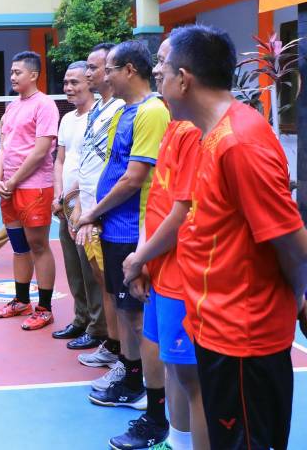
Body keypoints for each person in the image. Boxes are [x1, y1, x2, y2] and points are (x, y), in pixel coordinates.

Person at [161, 24, 307, 450]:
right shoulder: (212, 135)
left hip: (243, 340)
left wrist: (300, 295)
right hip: (217, 329)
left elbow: (292, 242)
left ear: (183, 79)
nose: (159, 83)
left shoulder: (239, 144)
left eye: (162, 73)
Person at [111, 38, 207, 450]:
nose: (157, 70)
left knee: (192, 377)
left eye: (163, 62)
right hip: (160, 267)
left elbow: (183, 211)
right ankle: (175, 439)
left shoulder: (197, 133)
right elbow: (158, 201)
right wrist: (144, 258)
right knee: (175, 368)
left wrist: (139, 258)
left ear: (185, 76)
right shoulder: (172, 126)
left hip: (184, 274)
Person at [77, 40, 169, 410]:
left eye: (110, 69)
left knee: (139, 317)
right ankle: (132, 381)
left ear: (129, 70)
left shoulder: (152, 112)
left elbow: (134, 178)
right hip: (116, 229)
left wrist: (92, 212)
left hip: (134, 231)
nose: (103, 76)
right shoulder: (124, 112)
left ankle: (151, 390)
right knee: (127, 313)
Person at [0, 51, 59, 330]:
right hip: (9, 188)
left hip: (34, 187)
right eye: (11, 72)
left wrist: (14, 181)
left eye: (18, 72)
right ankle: (21, 301)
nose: (13, 76)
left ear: (33, 75)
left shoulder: (45, 105)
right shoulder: (11, 107)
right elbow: (3, 147)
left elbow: (41, 151)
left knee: (38, 246)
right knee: (19, 248)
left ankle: (45, 308)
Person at [70, 43, 125, 377]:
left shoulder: (121, 109)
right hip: (89, 208)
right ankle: (113, 344)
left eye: (94, 67)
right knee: (103, 282)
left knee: (116, 287)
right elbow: (90, 161)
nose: (88, 72)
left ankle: (126, 355)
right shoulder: (98, 109)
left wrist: (94, 211)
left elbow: (119, 167)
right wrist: (79, 202)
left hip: (107, 214)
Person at [50, 61, 105, 350]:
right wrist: (59, 195)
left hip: (87, 207)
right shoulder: (67, 119)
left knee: (90, 269)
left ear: (90, 82)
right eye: (66, 83)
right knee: (73, 267)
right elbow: (60, 160)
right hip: (66, 206)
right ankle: (81, 318)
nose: (69, 88)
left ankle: (98, 328)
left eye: (75, 82)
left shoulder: (101, 117)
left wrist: (76, 199)